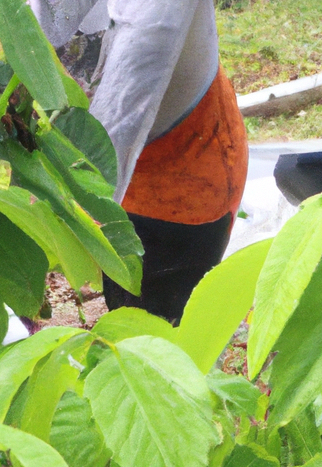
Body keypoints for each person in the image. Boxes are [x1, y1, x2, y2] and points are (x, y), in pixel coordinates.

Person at [31, 0, 249, 322]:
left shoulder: (159, 11)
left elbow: (124, 107)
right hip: (112, 159)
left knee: (154, 325)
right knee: (123, 299)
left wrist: (62, 217)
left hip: (184, 174)